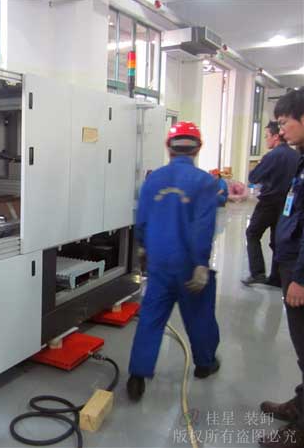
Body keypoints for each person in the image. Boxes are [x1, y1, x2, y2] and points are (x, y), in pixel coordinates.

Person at [127, 121, 220, 402]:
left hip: (159, 263)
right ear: (198, 148)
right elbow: (203, 226)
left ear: (169, 148)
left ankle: (137, 376)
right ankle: (204, 364)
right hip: (189, 266)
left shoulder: (153, 180)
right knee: (199, 315)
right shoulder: (205, 182)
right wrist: (201, 263)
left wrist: (143, 250)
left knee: (151, 318)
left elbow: (142, 219)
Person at [258, 89, 304, 448]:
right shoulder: (300, 158)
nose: (281, 129)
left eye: (285, 122)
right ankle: (299, 405)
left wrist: (300, 278)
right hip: (290, 262)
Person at [242, 121, 299, 287]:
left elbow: (254, 177)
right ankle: (277, 277)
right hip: (287, 205)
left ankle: (257, 273)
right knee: (277, 239)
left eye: (267, 136)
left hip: (268, 203)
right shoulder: (295, 156)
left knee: (252, 233)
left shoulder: (272, 156)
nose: (266, 139)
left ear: (275, 137)